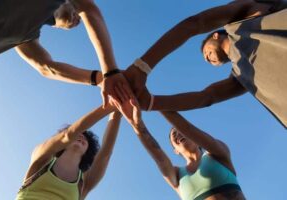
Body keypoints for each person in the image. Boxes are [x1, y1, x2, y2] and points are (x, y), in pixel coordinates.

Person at [123, 0, 287, 128]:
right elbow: (207, 97)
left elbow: (196, 23)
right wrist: (151, 102)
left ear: (215, 35)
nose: (207, 58)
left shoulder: (237, 22)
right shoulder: (240, 76)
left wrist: (142, 67)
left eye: (206, 51)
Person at [0, 0, 133, 107]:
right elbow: (88, 8)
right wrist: (111, 71)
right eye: (79, 15)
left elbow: (47, 68)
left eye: (79, 21)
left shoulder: (27, 36)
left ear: (58, 27)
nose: (80, 20)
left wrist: (100, 79)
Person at [118, 98, 245, 200]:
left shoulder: (217, 154)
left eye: (180, 131)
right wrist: (137, 125)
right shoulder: (177, 175)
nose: (178, 134)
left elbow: (189, 129)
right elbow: (159, 157)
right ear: (175, 150)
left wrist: (152, 102)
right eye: (174, 135)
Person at [16, 105, 121, 199]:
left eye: (85, 138)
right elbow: (67, 136)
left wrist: (119, 107)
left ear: (88, 149)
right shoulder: (42, 159)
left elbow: (105, 153)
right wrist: (111, 104)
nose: (81, 137)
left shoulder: (84, 182)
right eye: (78, 135)